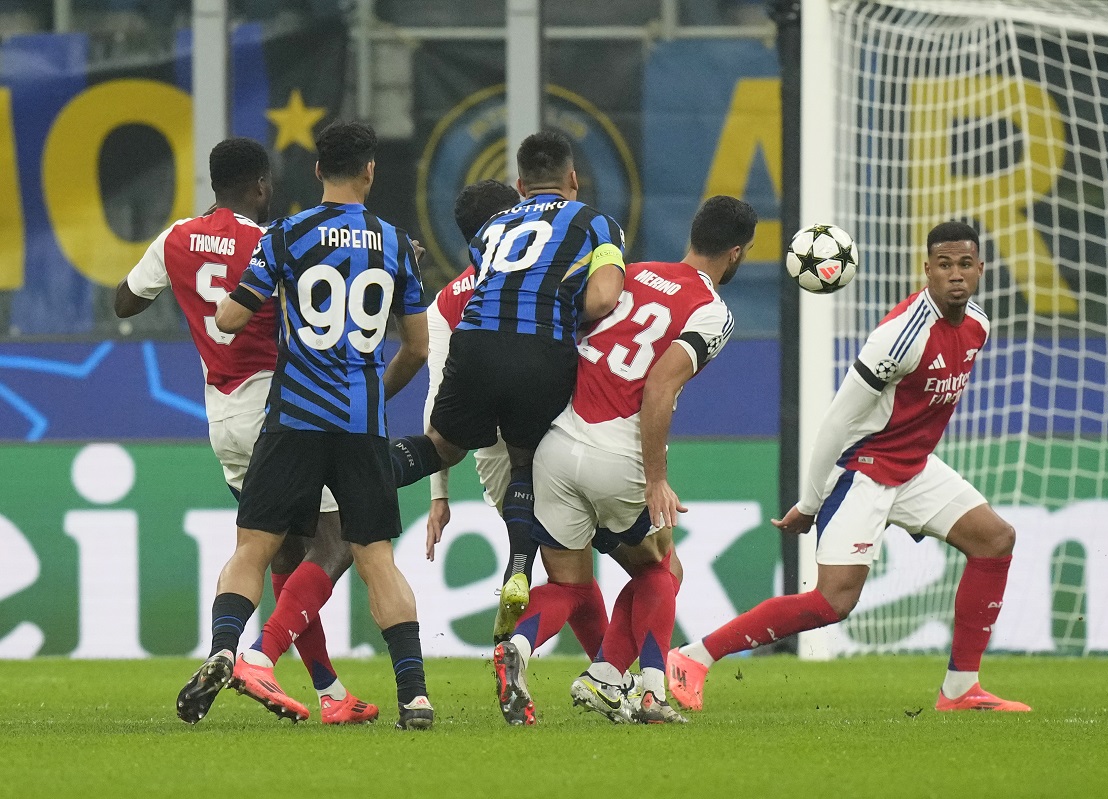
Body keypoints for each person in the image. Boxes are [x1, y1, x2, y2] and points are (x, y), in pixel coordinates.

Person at [668, 220, 1031, 714]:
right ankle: (693, 656)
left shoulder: (978, 326)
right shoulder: (899, 338)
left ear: (981, 270)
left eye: (965, 264)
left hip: (913, 467)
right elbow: (837, 423)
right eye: (944, 265)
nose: (955, 275)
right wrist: (810, 502)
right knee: (833, 603)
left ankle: (961, 690)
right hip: (862, 469)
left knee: (995, 539)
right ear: (927, 270)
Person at [175, 121, 437, 730]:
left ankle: (225, 647)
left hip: (294, 418)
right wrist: (375, 390)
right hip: (362, 423)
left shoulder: (287, 235)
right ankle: (416, 697)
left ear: (317, 170)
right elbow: (418, 348)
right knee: (375, 557)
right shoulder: (399, 245)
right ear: (370, 171)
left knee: (255, 547)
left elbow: (232, 318)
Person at [115, 137, 375, 725]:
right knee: (340, 537)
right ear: (260, 186)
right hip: (278, 410)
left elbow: (125, 303)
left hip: (221, 415)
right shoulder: (269, 242)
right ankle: (261, 655)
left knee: (276, 551)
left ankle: (307, 682)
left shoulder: (175, 237)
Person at [488, 196, 757, 726]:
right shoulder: (713, 312)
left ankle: (524, 646)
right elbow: (658, 388)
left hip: (557, 445)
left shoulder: (631, 274)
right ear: (735, 253)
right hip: (618, 454)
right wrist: (655, 479)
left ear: (691, 234)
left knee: (567, 583)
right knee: (661, 569)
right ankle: (647, 691)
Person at [388, 130, 626, 641]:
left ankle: (364, 474)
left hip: (475, 344)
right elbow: (604, 300)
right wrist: (567, 304)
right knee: (525, 459)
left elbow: (494, 284)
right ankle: (519, 567)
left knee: (440, 447)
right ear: (574, 179)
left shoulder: (492, 228)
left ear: (520, 184)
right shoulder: (596, 223)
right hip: (541, 351)